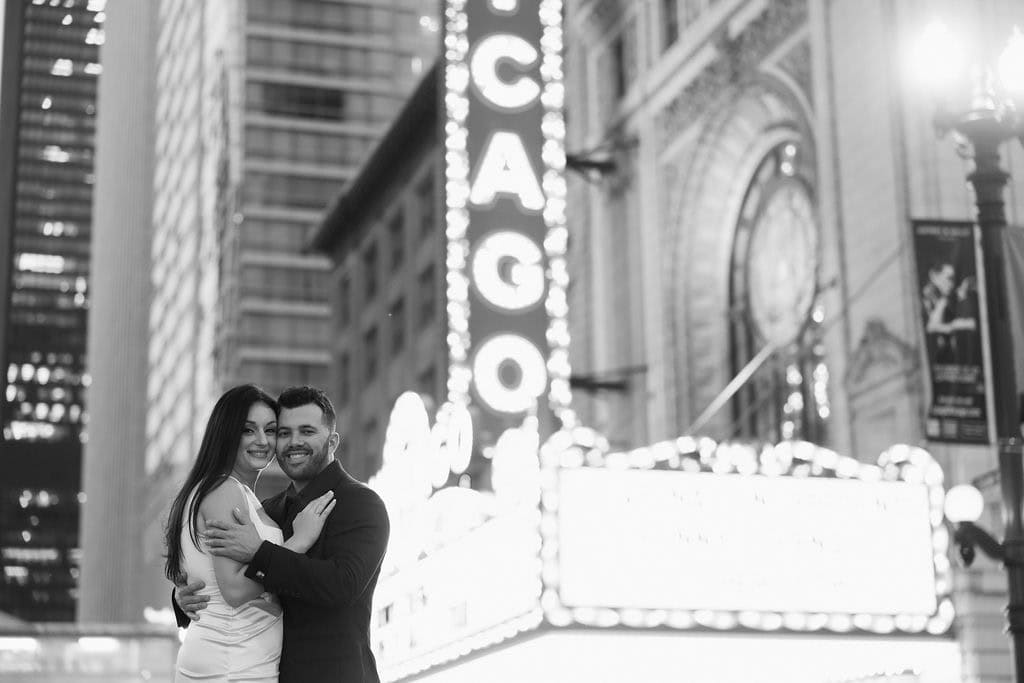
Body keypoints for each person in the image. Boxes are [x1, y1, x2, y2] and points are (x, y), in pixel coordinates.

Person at [174, 386, 391, 683]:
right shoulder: (268, 510)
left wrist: (262, 554)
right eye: (285, 433)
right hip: (259, 671)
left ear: (332, 441)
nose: (294, 442)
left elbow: (343, 585)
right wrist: (184, 597)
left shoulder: (361, 502)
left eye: (307, 431)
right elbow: (226, 576)